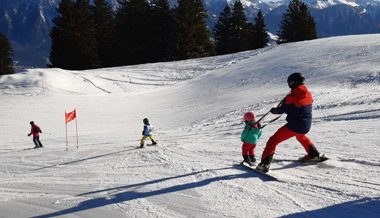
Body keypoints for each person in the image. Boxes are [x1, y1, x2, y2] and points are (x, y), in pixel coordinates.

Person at [256, 73, 321, 172]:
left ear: (292, 83)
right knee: (301, 136)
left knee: (272, 141)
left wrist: (274, 110)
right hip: (306, 125)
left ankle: (264, 164)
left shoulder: (292, 96)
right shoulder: (308, 94)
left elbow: (281, 110)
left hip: (295, 125)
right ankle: (313, 155)